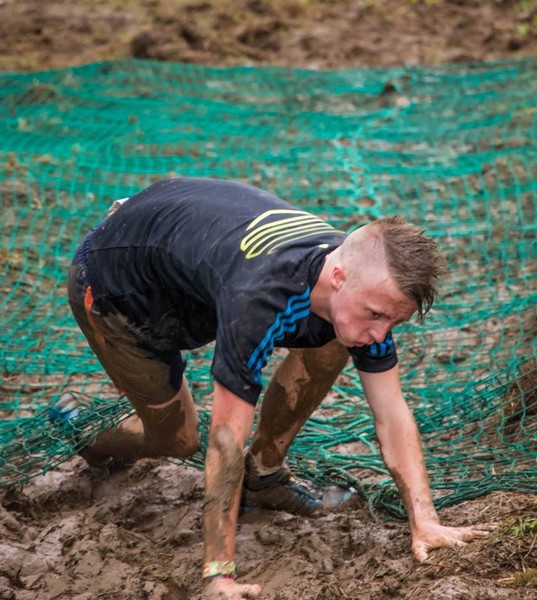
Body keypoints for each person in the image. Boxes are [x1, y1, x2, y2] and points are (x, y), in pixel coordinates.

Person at [60, 177, 489, 600]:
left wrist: (425, 520)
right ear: (338, 276)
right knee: (179, 438)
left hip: (194, 268)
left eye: (393, 321)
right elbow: (226, 438)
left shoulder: (362, 286)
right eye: (375, 314)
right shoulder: (260, 297)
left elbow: (391, 410)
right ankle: (84, 430)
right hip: (119, 289)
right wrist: (219, 574)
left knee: (335, 342)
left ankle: (263, 477)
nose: (381, 333)